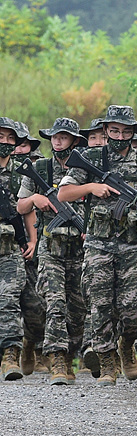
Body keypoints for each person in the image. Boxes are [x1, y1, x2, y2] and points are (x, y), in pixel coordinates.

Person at [58, 105, 137, 387]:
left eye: (125, 131)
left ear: (133, 132)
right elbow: (63, 193)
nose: (120, 136)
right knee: (99, 305)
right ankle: (107, 362)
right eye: (114, 130)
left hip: (133, 246)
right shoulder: (91, 157)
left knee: (134, 309)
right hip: (99, 245)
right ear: (106, 131)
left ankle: (127, 345)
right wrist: (90, 188)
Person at [16, 118, 88, 385]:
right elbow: (21, 207)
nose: (57, 141)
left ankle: (69, 357)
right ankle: (56, 359)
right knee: (55, 303)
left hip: (80, 250)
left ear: (74, 141)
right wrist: (35, 199)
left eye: (64, 137)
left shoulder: (84, 169)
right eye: (54, 137)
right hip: (51, 248)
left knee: (78, 309)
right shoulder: (40, 168)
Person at [0, 117, 35, 380]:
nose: (6, 143)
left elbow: (26, 210)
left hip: (10, 248)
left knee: (9, 299)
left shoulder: (20, 173)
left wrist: (32, 239)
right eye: (2, 137)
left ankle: (10, 355)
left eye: (11, 139)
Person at [11, 122, 47, 376]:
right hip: (9, 244)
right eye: (17, 143)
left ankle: (32, 344)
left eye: (25, 145)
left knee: (36, 305)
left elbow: (33, 208)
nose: (20, 149)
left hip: (30, 245)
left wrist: (34, 240)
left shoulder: (37, 169)